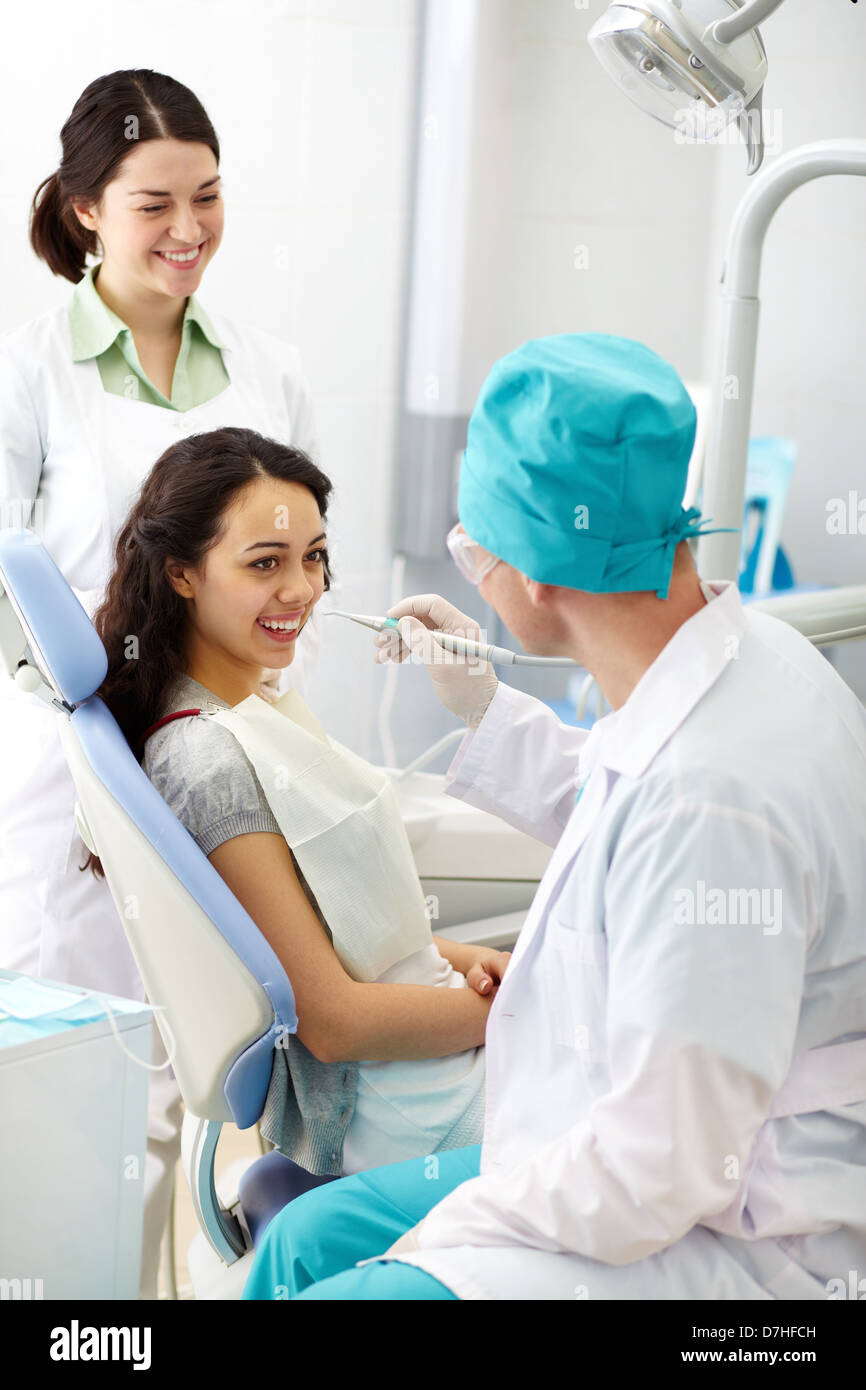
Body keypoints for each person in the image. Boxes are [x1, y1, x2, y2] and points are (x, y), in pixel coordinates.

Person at [241, 332, 866, 1301]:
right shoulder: (747, 662)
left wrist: (442, 1238)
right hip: (626, 1154)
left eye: (470, 548)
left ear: (532, 575)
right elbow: (623, 803)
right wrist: (481, 707)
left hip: (737, 1236)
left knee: (351, 1287)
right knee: (302, 1235)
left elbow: (658, 1166)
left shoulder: (714, 804)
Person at [0, 69, 320, 1297]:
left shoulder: (267, 368)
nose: (188, 229)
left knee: (214, 1079)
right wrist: (135, 635)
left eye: (209, 196)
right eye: (152, 205)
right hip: (72, 778)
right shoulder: (30, 372)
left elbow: (300, 573)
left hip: (231, 753)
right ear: (85, 207)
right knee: (82, 1085)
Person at [85, 425, 507, 1184]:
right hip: (408, 1109)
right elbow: (332, 1020)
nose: (303, 590)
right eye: (265, 563)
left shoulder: (258, 704)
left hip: (426, 1064)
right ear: (182, 574)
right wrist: (521, 1012)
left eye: (313, 557)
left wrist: (485, 966)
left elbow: (335, 940)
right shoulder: (209, 758)